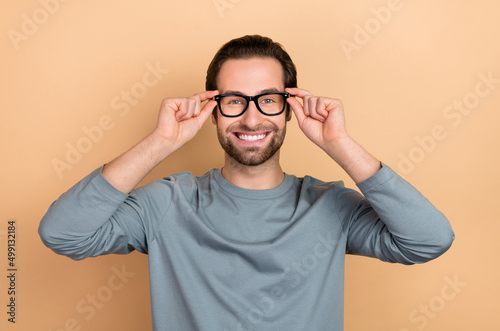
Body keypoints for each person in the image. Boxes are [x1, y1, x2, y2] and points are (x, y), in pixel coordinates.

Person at [39, 35, 454, 331]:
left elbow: (429, 240)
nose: (252, 119)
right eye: (234, 100)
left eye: (267, 100)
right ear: (213, 110)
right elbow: (62, 233)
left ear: (289, 109)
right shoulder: (167, 203)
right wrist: (160, 142)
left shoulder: (330, 206)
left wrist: (339, 144)